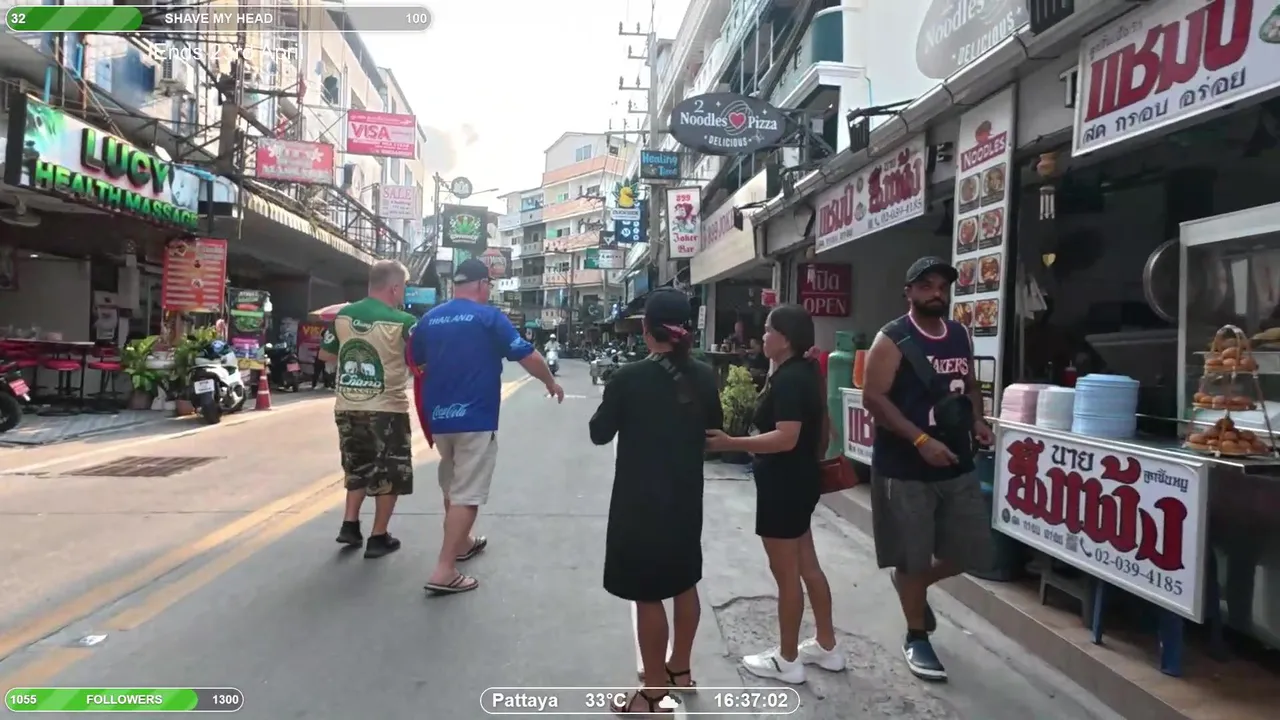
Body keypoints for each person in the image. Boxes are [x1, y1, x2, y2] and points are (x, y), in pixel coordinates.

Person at [861, 256, 995, 682]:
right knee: (913, 556)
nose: (936, 293)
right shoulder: (891, 339)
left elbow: (969, 385)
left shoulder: (959, 334)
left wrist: (977, 420)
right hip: (905, 468)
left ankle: (911, 586)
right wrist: (921, 440)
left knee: (969, 552)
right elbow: (873, 399)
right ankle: (916, 635)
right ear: (909, 292)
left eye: (942, 286)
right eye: (926, 285)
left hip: (956, 462)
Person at [589, 288, 720, 714]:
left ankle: (652, 694)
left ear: (647, 331)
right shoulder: (705, 376)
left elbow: (599, 433)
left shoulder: (628, 378)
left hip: (640, 500)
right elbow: (713, 433)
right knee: (684, 580)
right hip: (686, 496)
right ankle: (679, 669)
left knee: (647, 593)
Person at [705, 304, 842, 684]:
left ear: (785, 338)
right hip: (798, 482)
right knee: (807, 566)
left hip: (784, 485)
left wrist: (731, 442)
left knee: (787, 575)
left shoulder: (791, 380)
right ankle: (827, 646)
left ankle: (787, 659)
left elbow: (786, 437)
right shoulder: (801, 372)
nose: (762, 337)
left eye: (768, 330)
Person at [411, 258, 564, 595]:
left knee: (453, 485)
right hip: (475, 417)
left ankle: (463, 543)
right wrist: (550, 382)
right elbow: (527, 355)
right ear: (482, 284)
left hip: (439, 418)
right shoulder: (488, 317)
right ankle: (444, 570)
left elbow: (417, 361)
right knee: (467, 494)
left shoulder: (429, 319)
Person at [318, 260, 417, 559]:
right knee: (390, 472)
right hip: (387, 408)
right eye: (404, 287)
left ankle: (349, 525)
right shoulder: (404, 322)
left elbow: (325, 354)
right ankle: (378, 536)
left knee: (357, 465)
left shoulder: (343, 315)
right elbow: (419, 360)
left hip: (347, 405)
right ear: (395, 288)